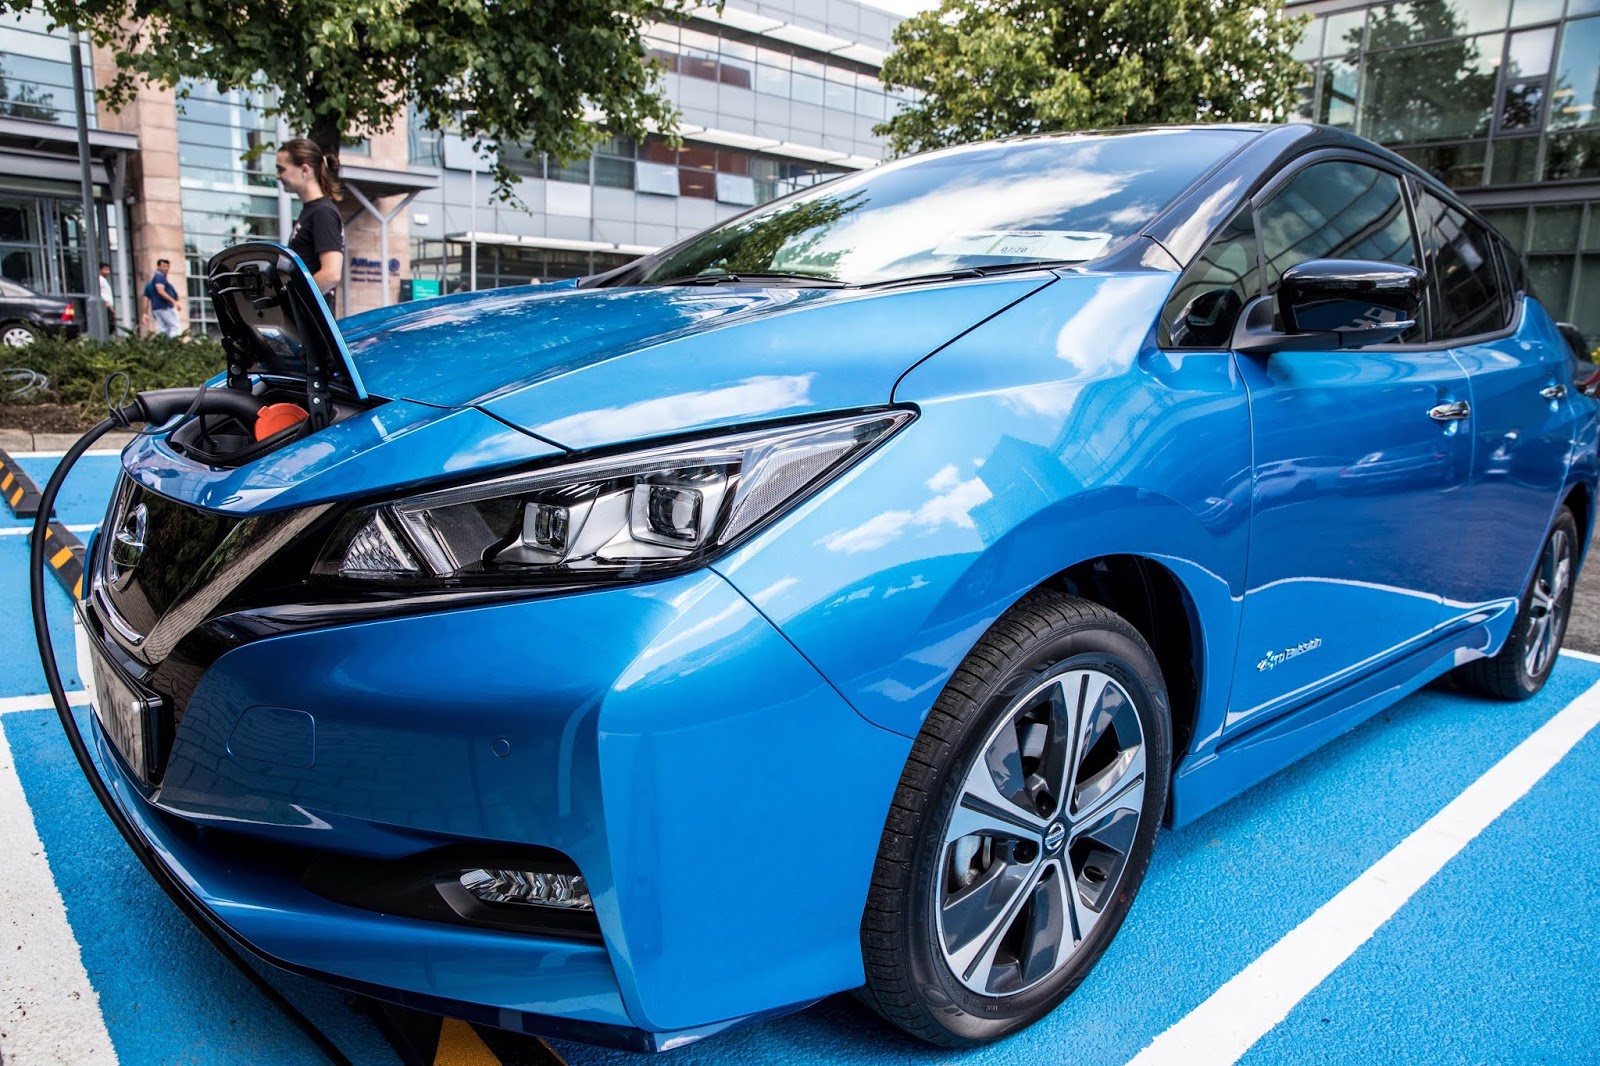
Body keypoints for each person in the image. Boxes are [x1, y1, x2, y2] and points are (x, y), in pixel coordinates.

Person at [276, 137, 345, 313]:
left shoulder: (323, 212)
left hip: (312, 324)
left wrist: (293, 303)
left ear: (304, 169)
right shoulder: (311, 211)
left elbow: (331, 273)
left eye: (281, 169)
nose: (277, 176)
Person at [141, 257, 183, 337]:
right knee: (175, 327)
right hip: (165, 307)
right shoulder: (159, 277)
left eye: (167, 266)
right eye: (164, 266)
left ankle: (163, 346)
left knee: (163, 329)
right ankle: (175, 346)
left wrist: (145, 313)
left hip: (156, 309)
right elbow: (160, 291)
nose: (166, 269)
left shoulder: (150, 285)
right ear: (158, 267)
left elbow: (146, 298)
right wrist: (174, 302)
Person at [97, 262, 115, 329]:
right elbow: (99, 293)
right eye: (106, 270)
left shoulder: (103, 280)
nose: (108, 272)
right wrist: (109, 306)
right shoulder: (100, 280)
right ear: (100, 270)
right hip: (105, 307)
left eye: (108, 270)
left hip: (108, 307)